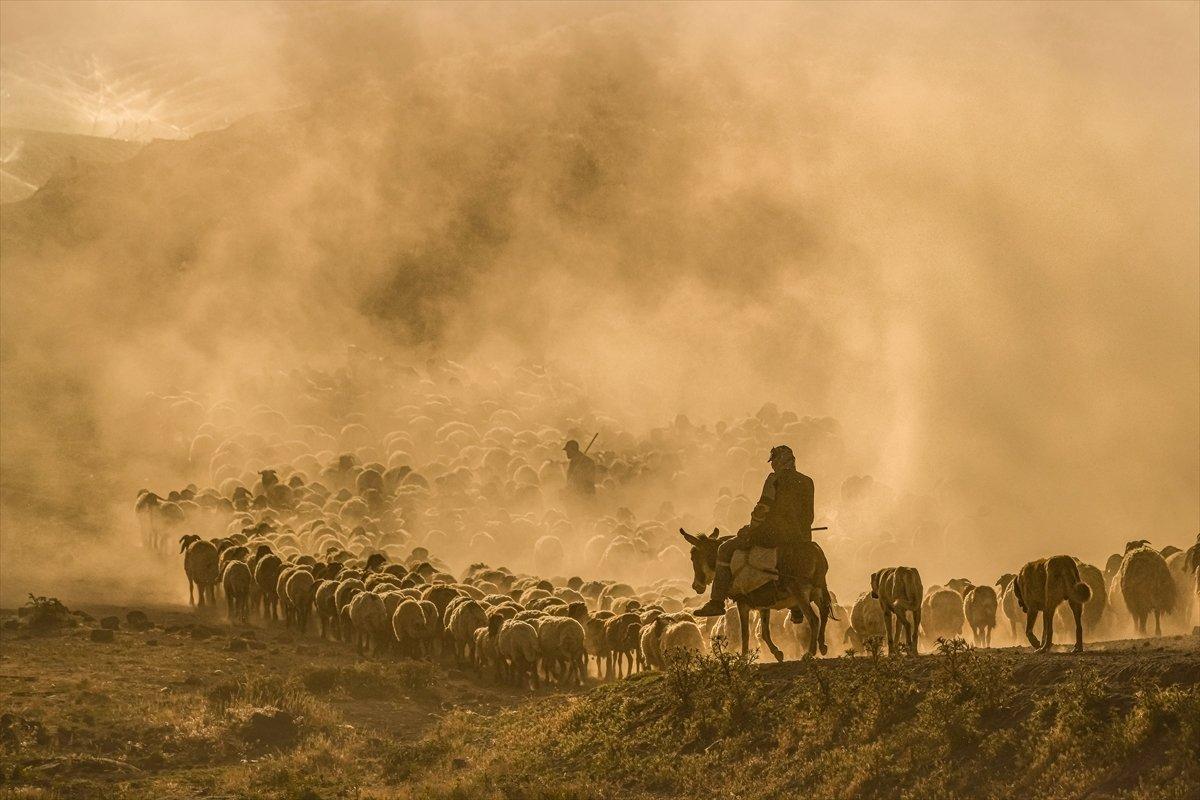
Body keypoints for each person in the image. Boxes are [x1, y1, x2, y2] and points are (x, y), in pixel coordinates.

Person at [694, 444, 814, 617]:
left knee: (724, 549)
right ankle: (796, 607)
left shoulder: (774, 479)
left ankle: (717, 602)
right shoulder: (807, 481)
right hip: (801, 537)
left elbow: (762, 509)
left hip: (772, 536)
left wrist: (751, 528)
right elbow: (809, 516)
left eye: (773, 462)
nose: (772, 466)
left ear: (779, 462)